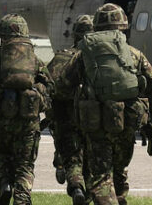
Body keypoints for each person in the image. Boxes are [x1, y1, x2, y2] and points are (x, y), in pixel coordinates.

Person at [59, 4, 152, 205]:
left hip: (96, 124)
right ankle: (119, 199)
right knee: (119, 170)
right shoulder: (134, 54)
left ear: (97, 27)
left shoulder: (84, 53)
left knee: (100, 177)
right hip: (128, 122)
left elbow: (63, 86)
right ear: (123, 26)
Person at [0, 14, 53, 205]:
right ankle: (22, 199)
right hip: (27, 122)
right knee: (25, 165)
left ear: (1, 34)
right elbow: (50, 87)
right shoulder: (34, 60)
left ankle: (6, 182)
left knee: (3, 157)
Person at [48, 14, 93, 205]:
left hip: (66, 119)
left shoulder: (61, 57)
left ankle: (76, 186)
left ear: (74, 35)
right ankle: (88, 194)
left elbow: (48, 88)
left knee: (73, 158)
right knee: (91, 162)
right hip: (94, 119)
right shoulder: (98, 59)